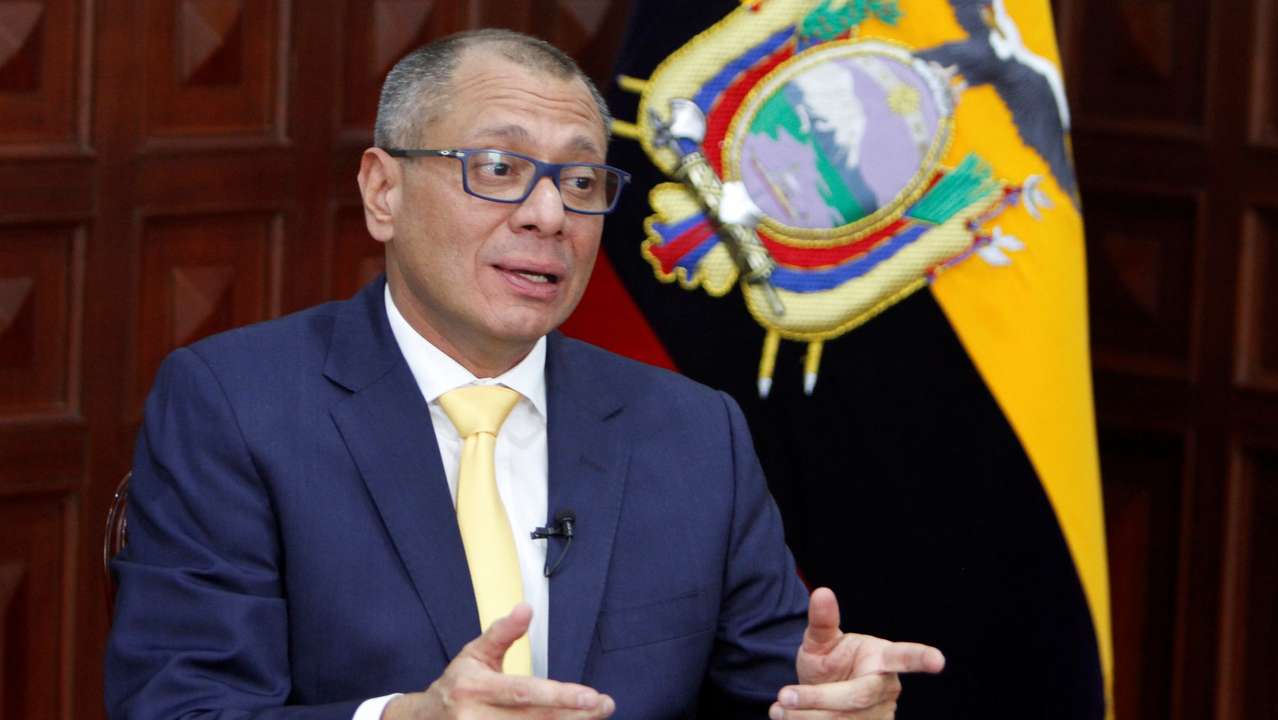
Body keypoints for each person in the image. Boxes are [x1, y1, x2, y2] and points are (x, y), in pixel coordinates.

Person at [105, 29, 944, 719]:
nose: (549, 215)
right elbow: (181, 706)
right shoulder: (237, 405)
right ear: (384, 192)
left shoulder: (693, 431)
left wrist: (824, 704)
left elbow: (771, 688)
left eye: (580, 180)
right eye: (499, 169)